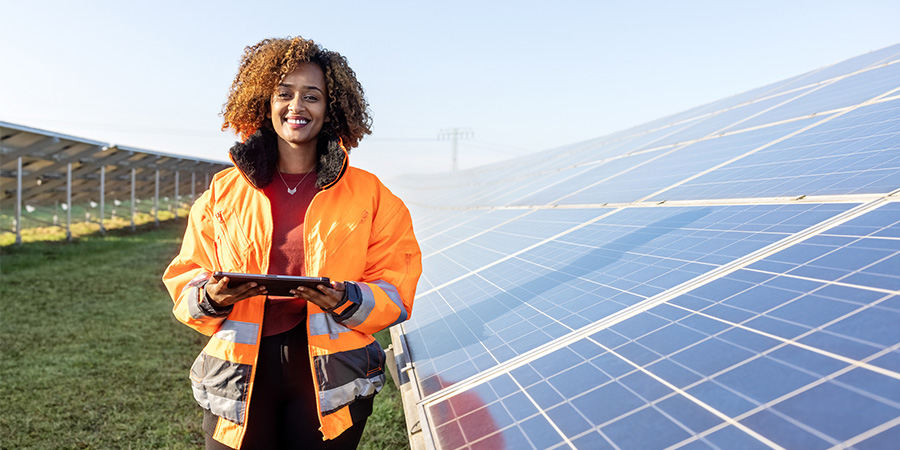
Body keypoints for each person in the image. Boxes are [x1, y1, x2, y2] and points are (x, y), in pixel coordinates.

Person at [162, 36, 422, 450]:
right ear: (265, 103)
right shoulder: (222, 192)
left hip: (332, 376)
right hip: (239, 373)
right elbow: (185, 279)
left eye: (312, 96)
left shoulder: (373, 197)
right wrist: (213, 294)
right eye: (284, 94)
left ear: (332, 108)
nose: (296, 106)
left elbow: (396, 288)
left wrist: (346, 298)